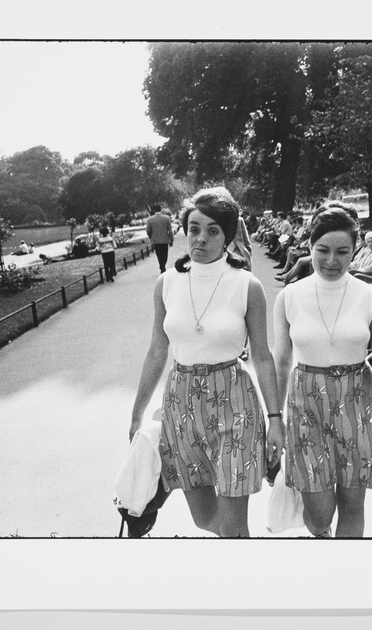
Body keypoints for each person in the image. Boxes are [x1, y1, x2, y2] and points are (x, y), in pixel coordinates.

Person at [128, 187, 283, 537]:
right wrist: (137, 413)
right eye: (194, 228)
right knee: (204, 519)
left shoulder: (247, 285)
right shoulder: (166, 283)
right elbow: (156, 352)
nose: (201, 238)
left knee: (234, 523)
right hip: (181, 403)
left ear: (228, 237)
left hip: (234, 403)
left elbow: (262, 355)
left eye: (213, 231)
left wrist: (276, 419)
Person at [272, 204, 372, 538]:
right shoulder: (289, 297)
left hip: (357, 401)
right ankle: (321, 535)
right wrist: (274, 416)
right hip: (306, 406)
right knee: (318, 514)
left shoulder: (369, 296)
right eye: (323, 251)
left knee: (352, 504)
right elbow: (281, 362)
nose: (332, 261)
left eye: (342, 252)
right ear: (310, 247)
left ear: (354, 251)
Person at [146, 204, 174, 273]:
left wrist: (151, 237)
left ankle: (162, 266)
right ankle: (162, 266)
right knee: (165, 255)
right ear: (160, 209)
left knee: (159, 255)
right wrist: (171, 239)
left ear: (154, 210)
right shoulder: (166, 218)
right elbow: (170, 230)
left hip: (155, 241)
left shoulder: (150, 219)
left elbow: (148, 231)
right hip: (164, 240)